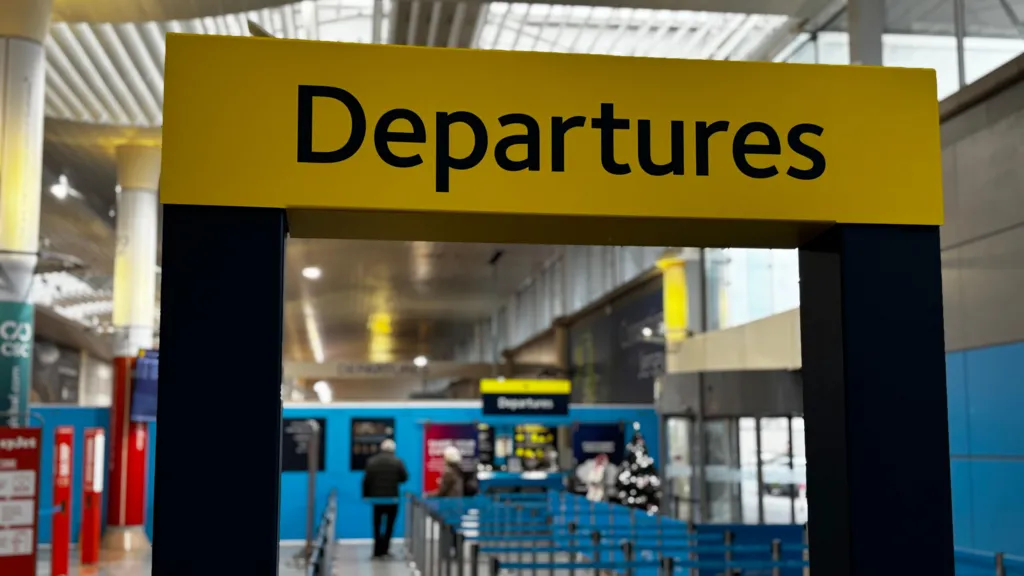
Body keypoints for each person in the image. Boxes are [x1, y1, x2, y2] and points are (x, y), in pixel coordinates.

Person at [362, 439, 408, 559]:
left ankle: (376, 551)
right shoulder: (398, 462)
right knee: (389, 525)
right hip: (392, 499)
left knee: (376, 525)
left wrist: (366, 495)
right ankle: (385, 550)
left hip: (376, 499)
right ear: (393, 449)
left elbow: (366, 481)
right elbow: (404, 478)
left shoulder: (372, 462)